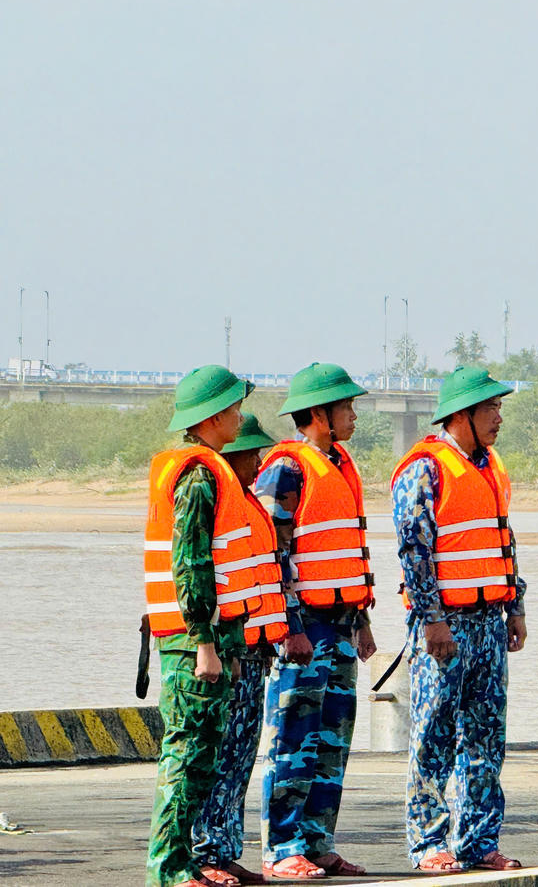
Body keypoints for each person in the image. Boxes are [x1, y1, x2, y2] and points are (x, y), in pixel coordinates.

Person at [391, 366, 528, 873]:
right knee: (433, 734)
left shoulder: (490, 465)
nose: (498, 418)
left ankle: (479, 840)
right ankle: (429, 845)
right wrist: (432, 621)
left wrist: (515, 607)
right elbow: (414, 550)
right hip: (445, 626)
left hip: (490, 621)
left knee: (486, 736)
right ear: (461, 415)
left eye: (498, 408)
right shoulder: (424, 469)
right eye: (490, 408)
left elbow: (502, 541)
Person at [255, 363, 376, 880]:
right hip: (304, 629)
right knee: (293, 737)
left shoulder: (341, 464)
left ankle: (317, 841)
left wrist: (362, 620)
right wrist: (291, 626)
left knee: (331, 740)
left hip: (343, 625)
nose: (353, 414)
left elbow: (344, 552)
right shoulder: (287, 470)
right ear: (319, 416)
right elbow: (272, 553)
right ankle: (282, 848)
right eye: (346, 406)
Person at [144, 365, 255, 887]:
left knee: (203, 758)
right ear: (212, 417)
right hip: (192, 643)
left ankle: (183, 863)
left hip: (211, 640)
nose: (240, 416)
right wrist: (206, 642)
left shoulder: (212, 468)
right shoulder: (198, 475)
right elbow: (190, 564)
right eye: (233, 408)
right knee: (187, 755)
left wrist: (228, 642)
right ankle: (167, 871)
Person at [192, 414, 289, 887]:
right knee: (219, 753)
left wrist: (272, 636)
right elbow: (204, 577)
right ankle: (204, 852)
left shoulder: (248, 504)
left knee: (239, 758)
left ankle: (226, 850)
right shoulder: (215, 500)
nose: (259, 463)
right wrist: (210, 646)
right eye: (252, 454)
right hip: (228, 649)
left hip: (254, 651)